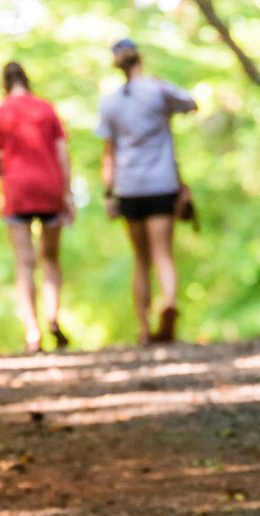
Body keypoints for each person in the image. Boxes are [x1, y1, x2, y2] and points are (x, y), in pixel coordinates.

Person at [97, 38, 197, 345]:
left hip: (129, 188)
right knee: (163, 254)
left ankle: (143, 328)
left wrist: (108, 194)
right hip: (161, 183)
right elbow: (191, 103)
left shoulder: (111, 102)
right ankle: (169, 303)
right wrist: (162, 89)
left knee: (141, 259)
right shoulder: (157, 90)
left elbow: (109, 154)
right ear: (139, 59)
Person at [0, 60, 74, 354]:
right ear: (27, 79)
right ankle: (53, 318)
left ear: (4, 83)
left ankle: (33, 333)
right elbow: (62, 154)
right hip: (50, 188)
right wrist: (68, 194)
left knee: (24, 263)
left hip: (17, 191)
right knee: (51, 259)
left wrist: (0, 160)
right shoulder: (46, 109)